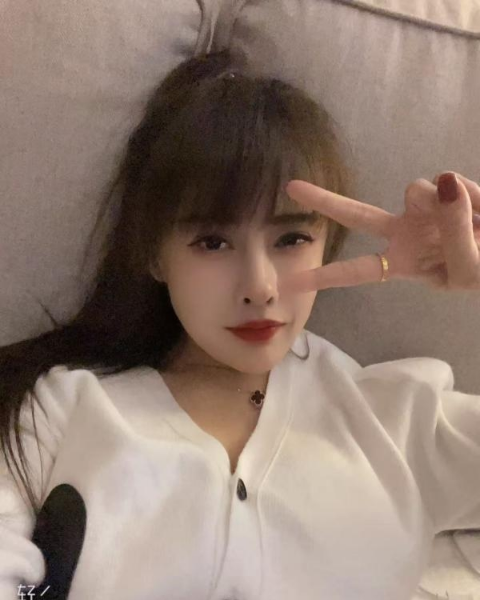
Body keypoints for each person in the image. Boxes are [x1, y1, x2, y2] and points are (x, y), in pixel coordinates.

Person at [0, 48, 479, 600]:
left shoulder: (398, 421)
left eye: (292, 238)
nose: (260, 285)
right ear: (154, 254)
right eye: (213, 242)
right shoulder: (60, 409)